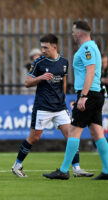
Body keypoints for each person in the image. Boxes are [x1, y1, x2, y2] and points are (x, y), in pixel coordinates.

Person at [11, 33, 93, 178]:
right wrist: (41, 77)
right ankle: (17, 166)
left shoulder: (64, 62)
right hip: (43, 106)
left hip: (60, 107)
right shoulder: (38, 63)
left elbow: (64, 81)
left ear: (54, 47)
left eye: (45, 48)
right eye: (42, 47)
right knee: (34, 137)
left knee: (71, 136)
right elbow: (27, 82)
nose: (42, 50)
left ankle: (77, 168)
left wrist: (63, 97)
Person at [43, 20, 108, 180]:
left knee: (73, 131)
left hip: (89, 94)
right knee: (97, 133)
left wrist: (84, 96)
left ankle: (64, 170)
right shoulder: (91, 47)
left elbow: (90, 71)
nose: (72, 34)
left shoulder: (87, 48)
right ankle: (107, 171)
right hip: (95, 93)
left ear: (79, 33)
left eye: (73, 31)